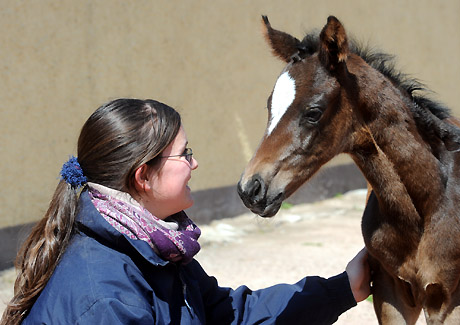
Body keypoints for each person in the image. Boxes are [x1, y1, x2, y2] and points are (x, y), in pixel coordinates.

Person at [1, 98, 370, 324]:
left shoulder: (153, 246)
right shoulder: (107, 299)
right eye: (185, 154)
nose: (196, 164)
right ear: (143, 176)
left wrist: (343, 288)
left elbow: (229, 316)